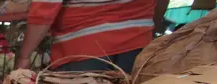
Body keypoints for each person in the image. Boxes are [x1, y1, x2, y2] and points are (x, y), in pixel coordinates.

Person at [16, 0, 169, 72]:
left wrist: (25, 56)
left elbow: (45, 8)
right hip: (139, 43)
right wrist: (149, 27)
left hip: (82, 48)